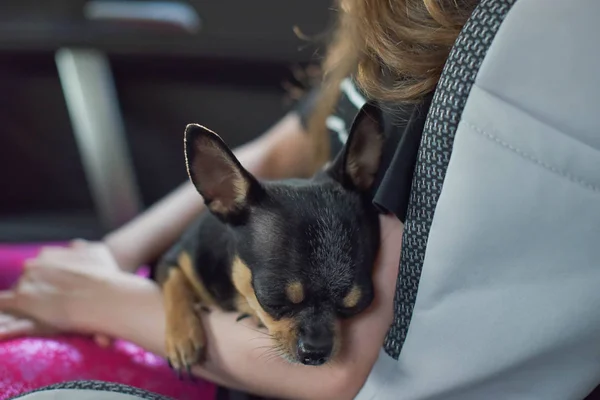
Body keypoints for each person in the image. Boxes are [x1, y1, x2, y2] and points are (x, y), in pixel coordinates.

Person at [0, 0, 478, 398]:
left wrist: (99, 300)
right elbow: (273, 153)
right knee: (24, 272)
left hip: (239, 361)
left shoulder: (436, 88)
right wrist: (111, 253)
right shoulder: (384, 38)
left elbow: (338, 373)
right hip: (197, 295)